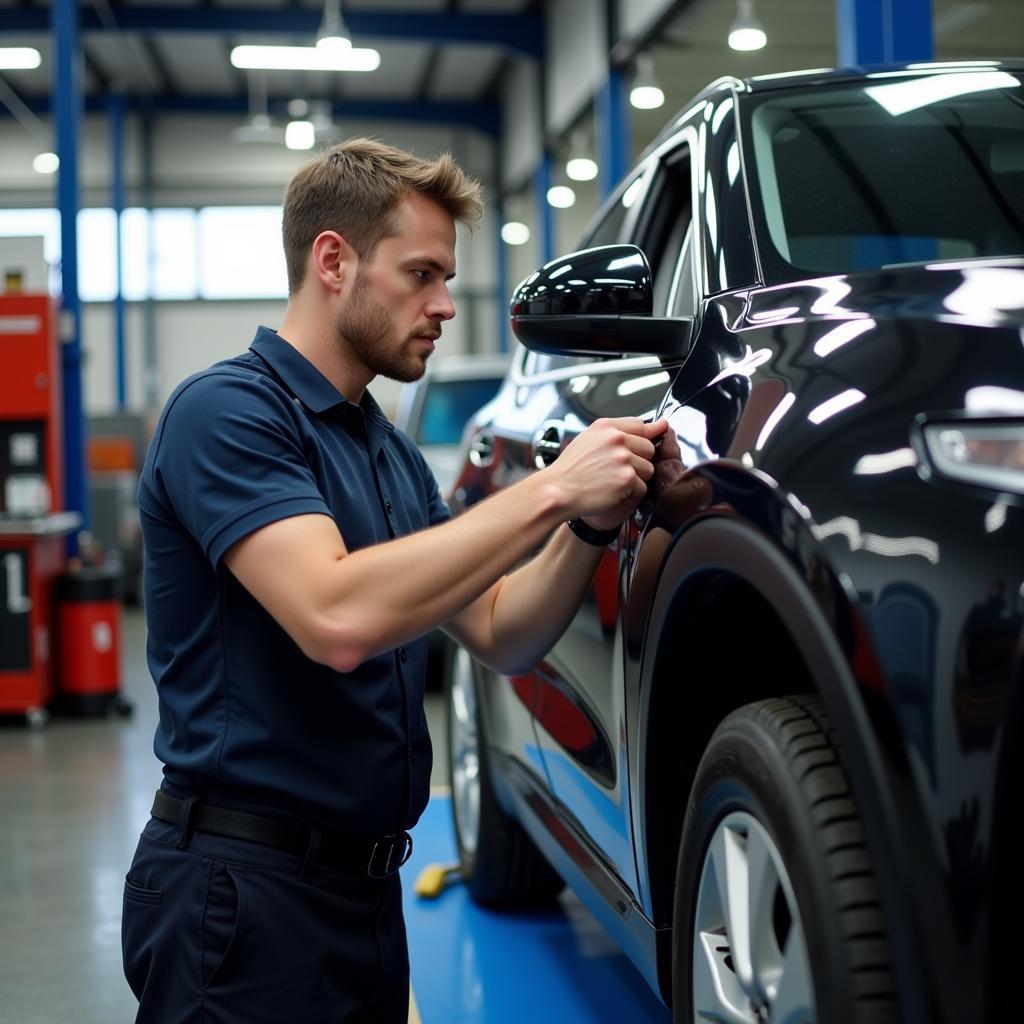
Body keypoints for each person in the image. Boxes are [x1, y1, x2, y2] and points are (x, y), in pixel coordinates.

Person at [121, 137, 667, 1023]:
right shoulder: (226, 414)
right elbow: (334, 615)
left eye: (448, 278)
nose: (446, 305)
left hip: (363, 894)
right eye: (421, 274)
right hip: (241, 898)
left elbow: (499, 629)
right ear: (332, 260)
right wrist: (555, 484)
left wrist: (586, 526)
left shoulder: (388, 454)